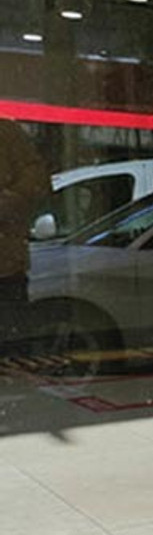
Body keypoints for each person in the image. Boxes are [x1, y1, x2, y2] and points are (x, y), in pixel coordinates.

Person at [0, 120, 50, 358]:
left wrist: (10, 200)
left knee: (12, 349)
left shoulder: (6, 133)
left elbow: (37, 181)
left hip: (5, 268)